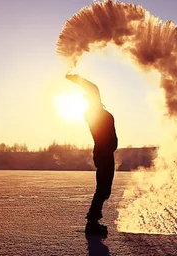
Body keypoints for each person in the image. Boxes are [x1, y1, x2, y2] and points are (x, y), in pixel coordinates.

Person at [66, 74, 118, 235]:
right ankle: (92, 223)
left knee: (104, 189)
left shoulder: (97, 112)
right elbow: (93, 88)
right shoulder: (95, 113)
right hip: (104, 153)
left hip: (105, 153)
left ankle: (94, 220)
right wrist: (76, 78)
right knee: (102, 188)